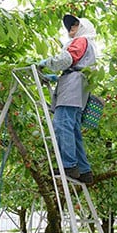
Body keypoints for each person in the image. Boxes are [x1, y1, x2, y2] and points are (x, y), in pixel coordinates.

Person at [38, 14, 97, 184]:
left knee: (62, 124)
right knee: (73, 129)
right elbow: (75, 66)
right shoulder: (89, 46)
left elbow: (67, 59)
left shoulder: (81, 40)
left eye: (75, 25)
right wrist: (56, 78)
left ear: (84, 27)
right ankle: (84, 170)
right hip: (79, 89)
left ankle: (69, 165)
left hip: (72, 88)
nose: (71, 29)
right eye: (70, 27)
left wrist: (45, 63)